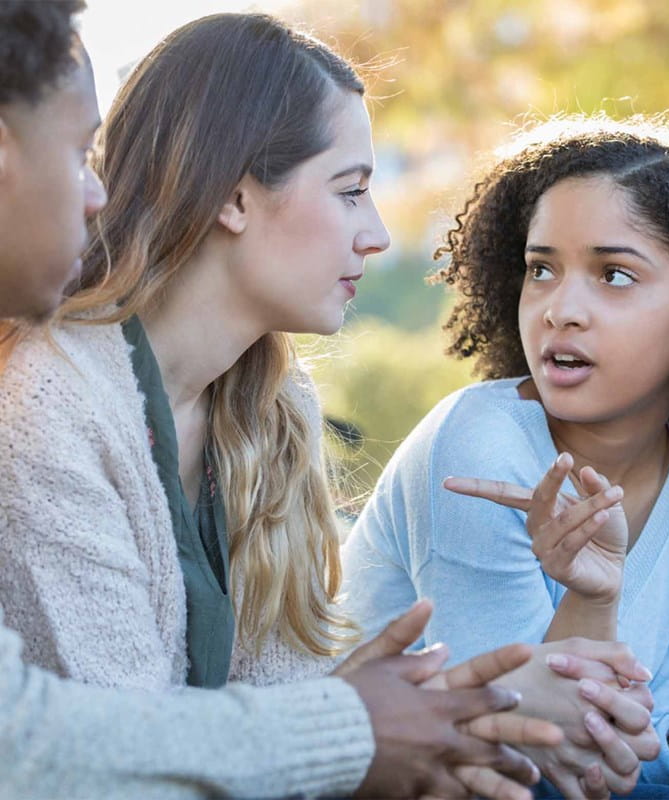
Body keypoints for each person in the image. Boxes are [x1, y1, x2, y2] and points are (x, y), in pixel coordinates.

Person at [0, 5, 566, 798]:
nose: (374, 234)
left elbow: (285, 718)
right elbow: (120, 765)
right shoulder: (49, 406)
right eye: (350, 191)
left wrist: (460, 729)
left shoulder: (270, 401)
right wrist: (356, 732)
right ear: (234, 198)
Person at [340, 114, 669, 795]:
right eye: (541, 269)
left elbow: (666, 740)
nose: (560, 309)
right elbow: (524, 748)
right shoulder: (478, 445)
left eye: (613, 275)